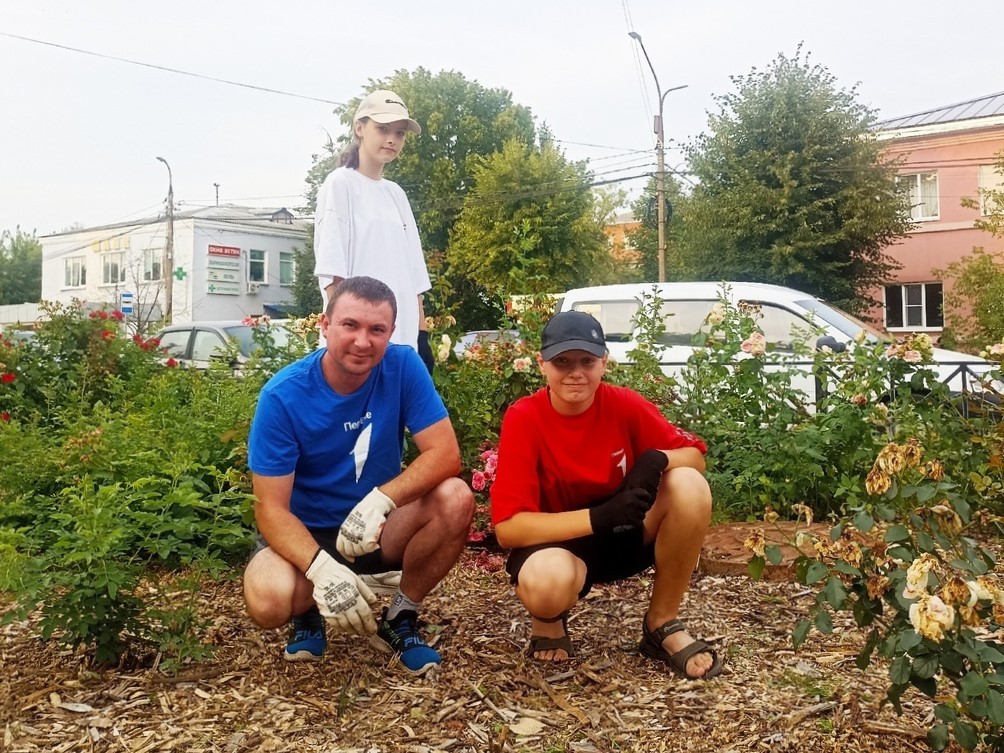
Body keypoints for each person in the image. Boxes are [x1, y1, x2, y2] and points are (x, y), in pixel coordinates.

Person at [242, 276, 473, 675]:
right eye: (350, 325)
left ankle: (400, 617)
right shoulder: (282, 396)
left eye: (377, 329)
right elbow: (271, 512)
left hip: (374, 528)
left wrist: (382, 500)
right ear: (325, 324)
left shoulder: (403, 365)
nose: (363, 341)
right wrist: (322, 570)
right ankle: (309, 611)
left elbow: (446, 455)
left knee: (456, 497)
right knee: (267, 601)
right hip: (305, 534)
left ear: (390, 334)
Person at [489, 311, 723, 680]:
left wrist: (658, 458)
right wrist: (599, 516)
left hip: (622, 538)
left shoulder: (624, 404)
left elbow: (695, 456)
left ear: (604, 364)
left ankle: (661, 622)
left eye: (587, 361)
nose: (575, 372)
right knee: (548, 585)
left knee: (690, 485)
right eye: (562, 361)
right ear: (542, 365)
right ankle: (548, 621)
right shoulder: (525, 417)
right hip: (554, 547)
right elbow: (508, 529)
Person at [313, 89, 435, 373]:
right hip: (357, 347)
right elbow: (333, 272)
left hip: (400, 344)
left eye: (400, 133)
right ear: (360, 128)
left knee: (394, 418)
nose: (392, 139)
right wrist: (346, 336)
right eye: (382, 129)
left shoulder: (396, 194)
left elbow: (414, 276)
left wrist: (421, 334)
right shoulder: (340, 184)